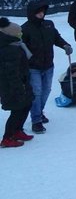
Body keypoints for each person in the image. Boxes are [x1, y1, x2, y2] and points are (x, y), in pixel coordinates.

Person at [21, 0, 71, 134]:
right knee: (36, 92)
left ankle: (39, 111)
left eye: (43, 11)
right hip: (33, 67)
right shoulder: (25, 28)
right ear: (32, 13)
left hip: (48, 65)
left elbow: (57, 38)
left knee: (46, 90)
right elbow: (21, 47)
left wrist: (65, 45)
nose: (41, 14)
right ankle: (36, 120)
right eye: (38, 11)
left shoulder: (49, 25)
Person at [0, 18, 34, 148]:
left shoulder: (16, 45)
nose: (21, 35)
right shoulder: (9, 50)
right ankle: (7, 137)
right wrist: (19, 87)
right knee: (17, 110)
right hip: (13, 86)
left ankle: (18, 130)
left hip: (22, 83)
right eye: (19, 33)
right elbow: (11, 73)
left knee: (26, 105)